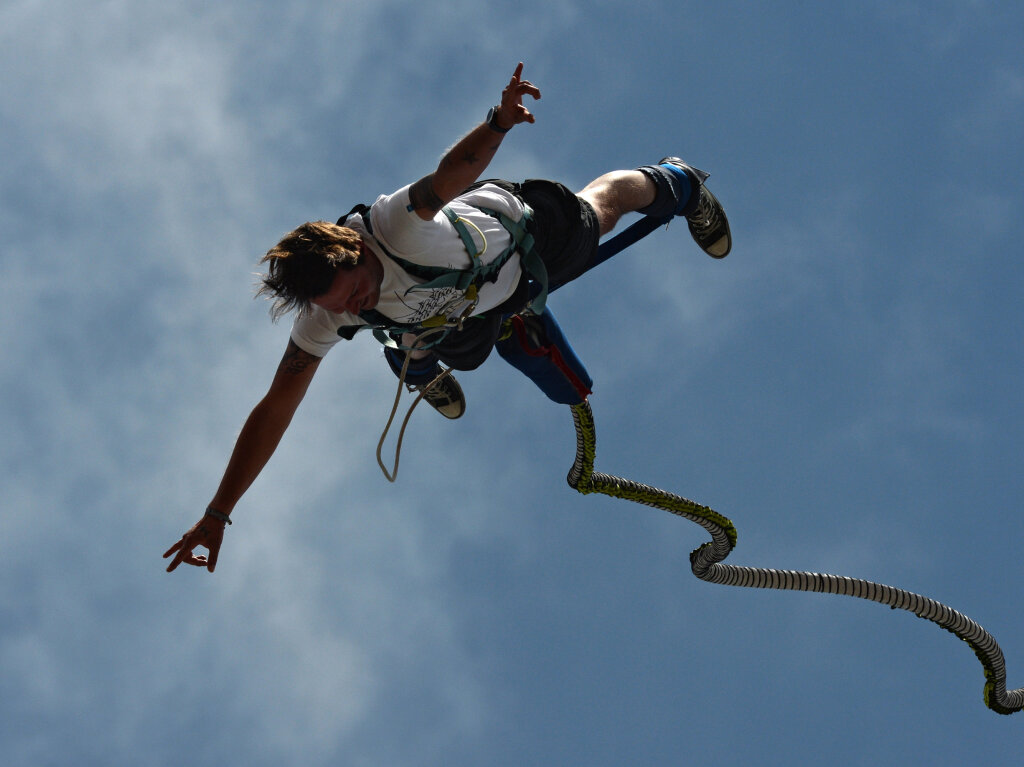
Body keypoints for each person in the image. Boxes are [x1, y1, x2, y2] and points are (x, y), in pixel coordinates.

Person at [164, 62, 731, 573]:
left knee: (602, 212)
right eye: (339, 309)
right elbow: (275, 408)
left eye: (356, 292)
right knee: (449, 346)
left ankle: (675, 181)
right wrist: (219, 511)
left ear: (357, 251)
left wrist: (499, 121)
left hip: (520, 239)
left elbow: (453, 171)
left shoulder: (393, 223)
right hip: (462, 315)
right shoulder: (326, 316)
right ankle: (415, 359)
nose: (351, 308)